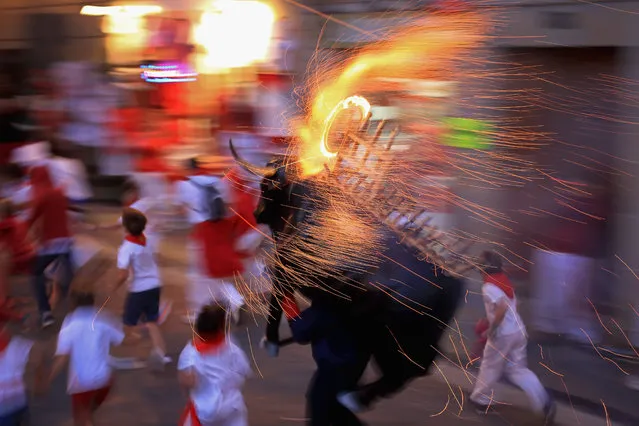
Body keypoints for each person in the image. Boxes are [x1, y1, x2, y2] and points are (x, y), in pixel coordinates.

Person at [469, 250, 556, 421]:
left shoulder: (488, 286)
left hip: (502, 335)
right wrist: (490, 319)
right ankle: (543, 401)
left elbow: (501, 307)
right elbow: (513, 305)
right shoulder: (503, 280)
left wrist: (492, 329)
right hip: (518, 330)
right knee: (517, 370)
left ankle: (481, 400)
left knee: (490, 366)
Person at [280, 291, 369, 426]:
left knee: (319, 406)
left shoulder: (323, 306)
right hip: (355, 363)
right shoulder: (353, 298)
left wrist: (286, 298)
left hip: (334, 367)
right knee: (334, 407)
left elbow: (300, 332)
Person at [175, 158, 244, 323]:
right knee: (215, 274)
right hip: (221, 230)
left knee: (199, 275)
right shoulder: (219, 182)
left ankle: (199, 312)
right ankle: (235, 300)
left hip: (200, 234)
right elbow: (230, 206)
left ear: (187, 169)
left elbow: (182, 210)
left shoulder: (183, 185)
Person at [49, 292, 124, 426]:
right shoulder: (103, 318)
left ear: (73, 305)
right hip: (104, 380)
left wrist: (49, 378)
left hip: (81, 383)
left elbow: (62, 357)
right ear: (93, 303)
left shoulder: (70, 323)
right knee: (88, 413)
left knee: (81, 419)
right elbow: (120, 338)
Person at [178, 304, 252, 426]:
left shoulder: (190, 352)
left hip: (205, 411)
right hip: (233, 407)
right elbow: (244, 371)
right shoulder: (232, 348)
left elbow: (186, 381)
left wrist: (189, 394)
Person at [114, 207, 170, 370]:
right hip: (154, 285)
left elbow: (122, 274)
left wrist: (113, 288)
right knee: (151, 323)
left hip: (139, 289)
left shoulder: (126, 248)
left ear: (125, 227)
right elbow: (157, 258)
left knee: (128, 323)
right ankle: (161, 354)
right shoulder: (148, 240)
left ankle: (136, 357)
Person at [27, 165, 73, 328]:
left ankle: (46, 313)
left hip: (50, 245)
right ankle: (69, 311)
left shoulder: (42, 195)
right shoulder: (60, 193)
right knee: (66, 278)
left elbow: (32, 219)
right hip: (66, 243)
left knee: (36, 275)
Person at [0, 307, 46, 426]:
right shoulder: (17, 344)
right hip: (19, 402)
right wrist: (39, 379)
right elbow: (38, 351)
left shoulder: (17, 345)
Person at [0, 199, 34, 306]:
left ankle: (5, 299)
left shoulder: (6, 224)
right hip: (27, 255)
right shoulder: (20, 221)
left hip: (17, 258)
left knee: (3, 259)